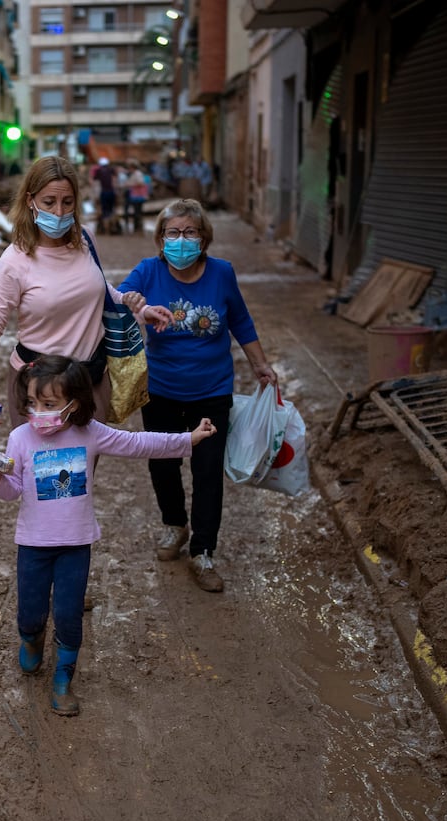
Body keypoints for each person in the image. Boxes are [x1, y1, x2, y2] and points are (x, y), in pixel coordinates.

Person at [0, 355, 216, 713]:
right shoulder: (19, 438)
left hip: (76, 545)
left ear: (75, 402)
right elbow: (12, 489)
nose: (38, 412)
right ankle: (31, 640)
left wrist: (187, 439)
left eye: (48, 404)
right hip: (33, 545)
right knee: (30, 613)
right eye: (32, 404)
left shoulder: (91, 433)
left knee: (68, 615)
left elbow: (139, 444)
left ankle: (63, 682)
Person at [123, 199, 278, 593]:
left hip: (211, 391)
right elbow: (117, 300)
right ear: (160, 239)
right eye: (172, 232)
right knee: (162, 465)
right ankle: (175, 524)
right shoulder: (148, 271)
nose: (181, 240)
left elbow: (240, 319)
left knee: (208, 472)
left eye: (189, 232)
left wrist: (260, 364)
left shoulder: (222, 273)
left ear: (204, 238)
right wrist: (136, 308)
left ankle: (203, 550)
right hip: (160, 389)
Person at [0, 155, 153, 431]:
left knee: (84, 474)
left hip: (90, 383)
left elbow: (98, 291)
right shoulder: (14, 261)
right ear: (31, 200)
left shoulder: (86, 240)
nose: (58, 212)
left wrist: (139, 308)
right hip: (38, 391)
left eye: (67, 202)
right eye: (49, 202)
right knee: (39, 473)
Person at [92, 156, 118, 234]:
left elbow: (94, 181)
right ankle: (113, 227)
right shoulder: (111, 170)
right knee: (112, 210)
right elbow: (115, 181)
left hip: (104, 192)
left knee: (105, 211)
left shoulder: (99, 171)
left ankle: (106, 230)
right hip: (112, 192)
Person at [123, 161, 150, 233]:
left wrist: (130, 185)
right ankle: (137, 227)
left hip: (137, 195)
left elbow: (141, 183)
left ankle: (138, 227)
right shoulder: (135, 174)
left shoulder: (137, 174)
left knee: (137, 211)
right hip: (135, 195)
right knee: (137, 211)